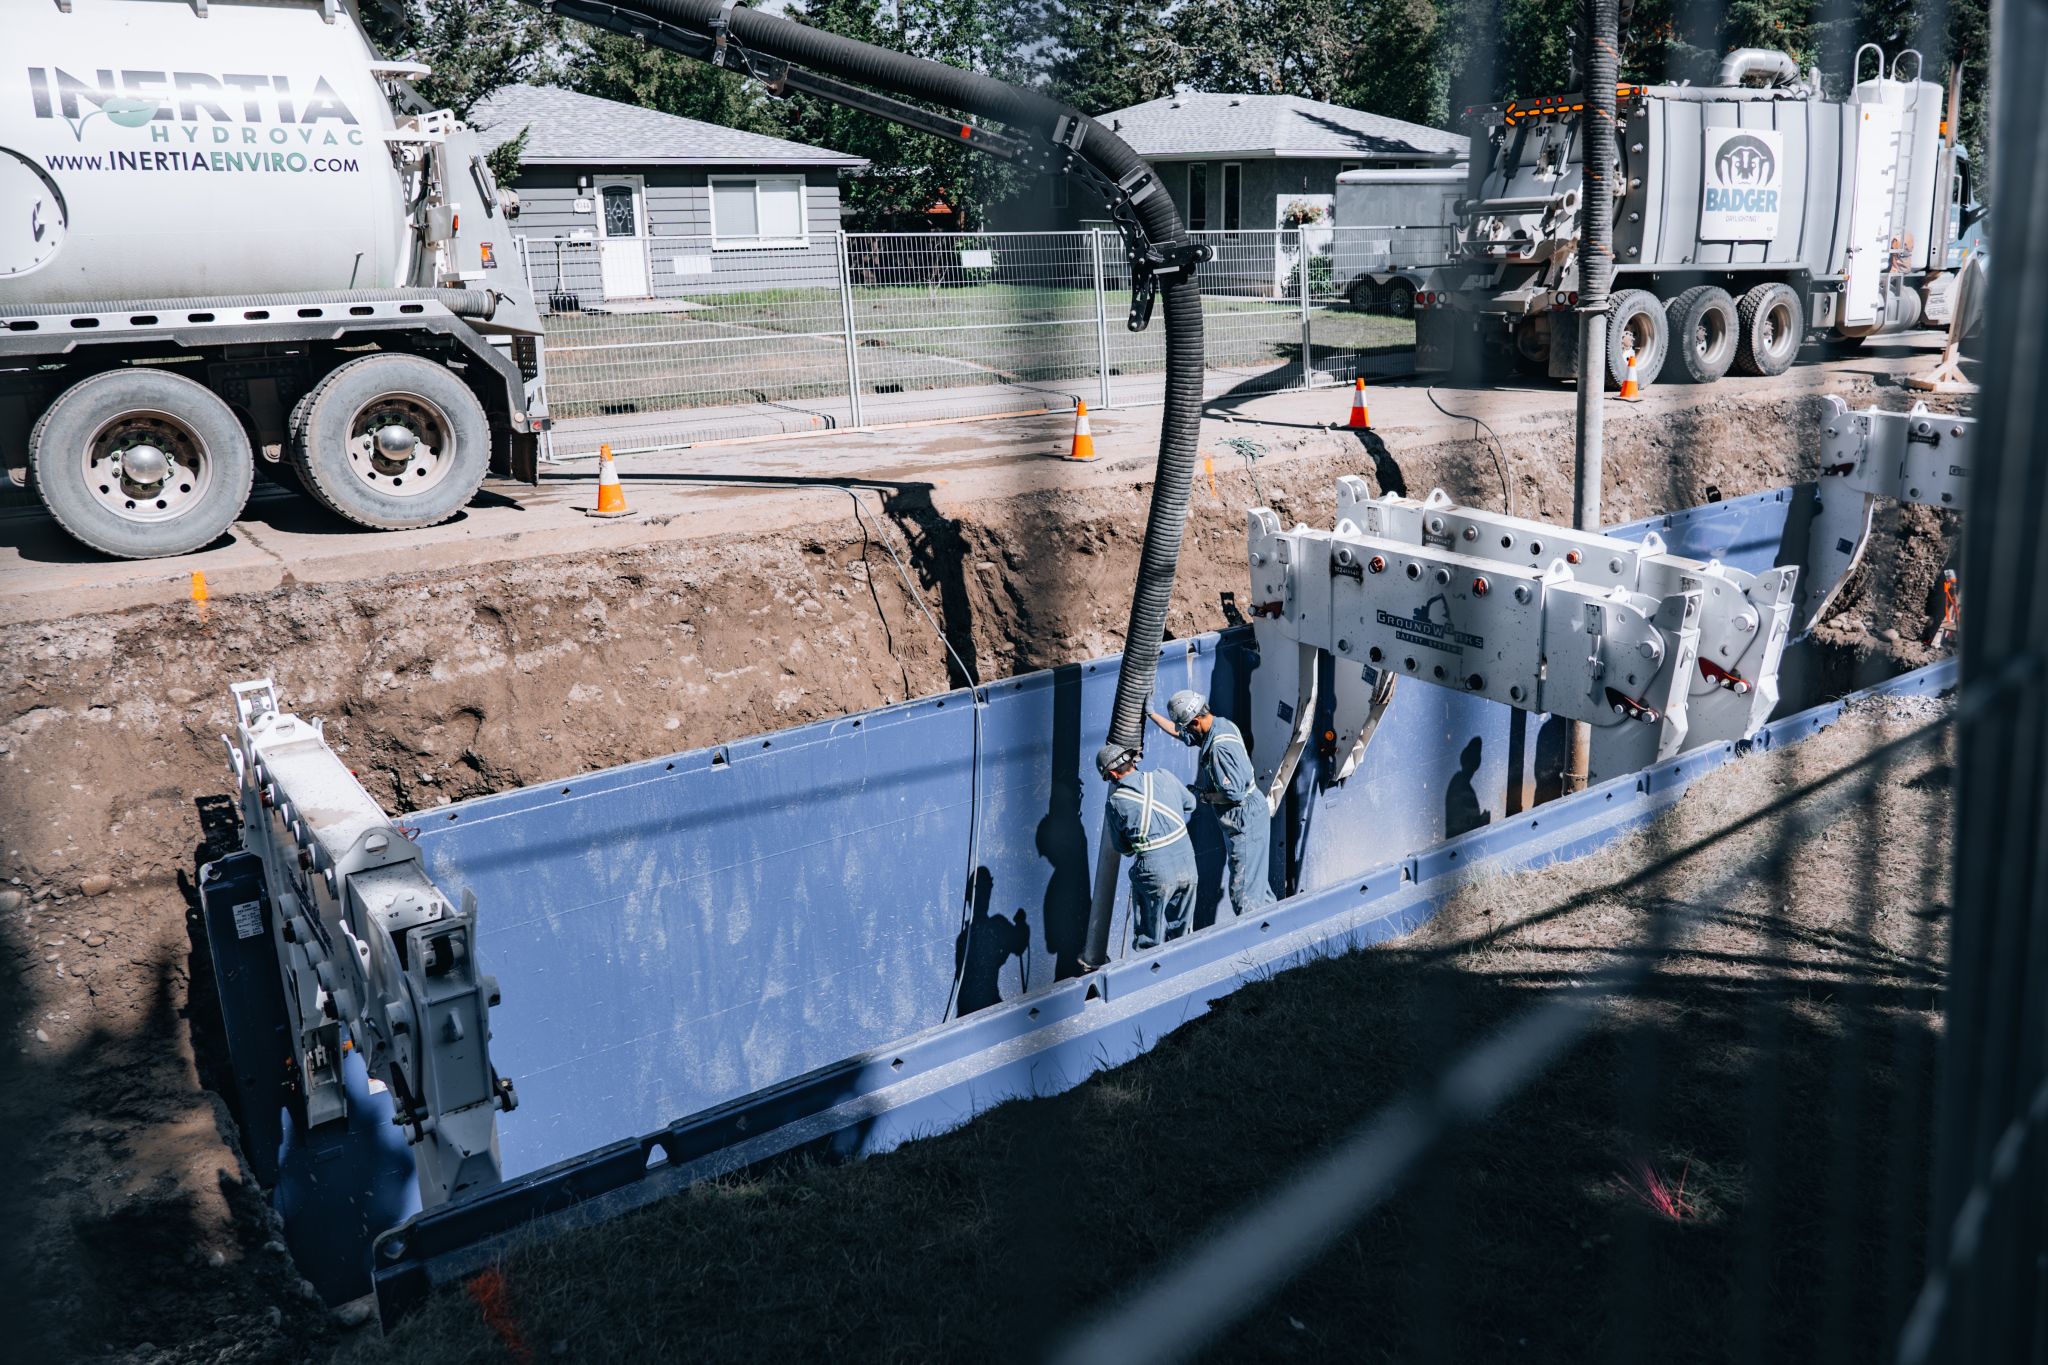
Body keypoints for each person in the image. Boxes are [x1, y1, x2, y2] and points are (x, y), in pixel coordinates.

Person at [1149, 689, 1276, 912]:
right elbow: (1183, 735)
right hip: (1250, 814)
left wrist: (1206, 796)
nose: (1185, 732)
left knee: (1244, 894)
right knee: (1257, 888)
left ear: (1196, 721)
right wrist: (1151, 714)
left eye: (1187, 726)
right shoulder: (1219, 724)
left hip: (1244, 819)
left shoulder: (1220, 747)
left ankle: (1256, 943)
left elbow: (1234, 793)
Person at [1095, 743, 1198, 950]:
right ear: (1132, 761)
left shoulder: (1116, 803)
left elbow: (1123, 848)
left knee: (1149, 940)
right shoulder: (1164, 775)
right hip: (1187, 864)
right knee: (1183, 933)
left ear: (1113, 774)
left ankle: (1153, 978)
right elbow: (1191, 804)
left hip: (1155, 872)